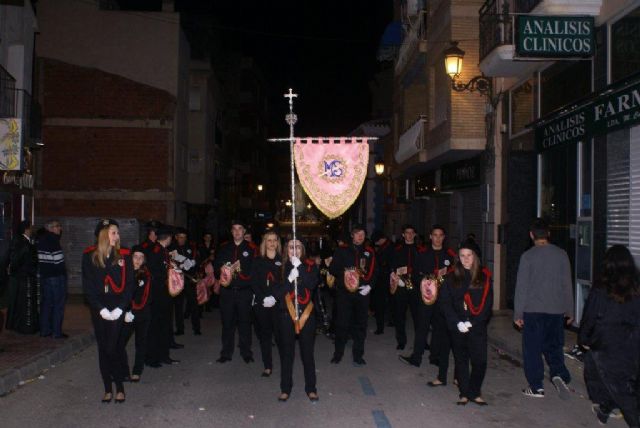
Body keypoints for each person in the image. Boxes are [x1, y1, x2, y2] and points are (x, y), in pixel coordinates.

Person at [579, 245, 640, 427]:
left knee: (619, 390)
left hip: (607, 346)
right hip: (631, 345)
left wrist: (584, 338)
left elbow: (590, 316)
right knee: (620, 383)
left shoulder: (601, 288)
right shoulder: (636, 287)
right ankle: (605, 408)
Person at [514, 218, 573, 399]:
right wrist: (569, 310)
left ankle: (536, 386)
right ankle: (558, 373)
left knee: (532, 349)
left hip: (533, 310)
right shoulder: (562, 254)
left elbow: (521, 286)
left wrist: (518, 313)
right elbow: (566, 284)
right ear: (549, 234)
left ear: (531, 235)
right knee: (554, 346)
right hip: (556, 310)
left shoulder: (528, 256)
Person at [82, 219, 134, 403]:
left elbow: (129, 285)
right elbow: (88, 286)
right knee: (103, 348)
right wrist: (100, 309)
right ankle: (107, 388)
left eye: (118, 233)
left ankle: (119, 386)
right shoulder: (89, 255)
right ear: (104, 235)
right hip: (100, 308)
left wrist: (122, 308)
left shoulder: (125, 254)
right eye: (114, 233)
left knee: (112, 347)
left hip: (118, 307)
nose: (117, 236)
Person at [439, 239, 492, 405]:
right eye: (462, 255)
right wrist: (457, 322)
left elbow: (487, 304)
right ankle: (464, 392)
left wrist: (474, 323)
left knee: (480, 361)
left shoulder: (484, 276)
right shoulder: (451, 277)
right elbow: (445, 303)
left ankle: (475, 391)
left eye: (469, 255)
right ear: (458, 258)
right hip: (457, 326)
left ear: (475, 257)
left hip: (477, 326)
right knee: (461, 360)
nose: (466, 259)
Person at [399, 224, 455, 367]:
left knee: (439, 328)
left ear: (444, 237)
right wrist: (425, 283)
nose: (437, 238)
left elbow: (453, 275)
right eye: (434, 235)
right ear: (430, 237)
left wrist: (443, 284)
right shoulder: (422, 253)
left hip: (442, 298)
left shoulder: (449, 254)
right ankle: (416, 357)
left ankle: (434, 357)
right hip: (425, 297)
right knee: (422, 327)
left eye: (440, 235)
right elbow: (415, 274)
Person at [273, 238, 319, 402]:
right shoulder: (281, 266)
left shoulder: (311, 265)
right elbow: (277, 293)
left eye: (298, 246)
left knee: (308, 354)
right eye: (291, 247)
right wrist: (289, 279)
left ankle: (311, 388)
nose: (294, 250)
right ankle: (285, 389)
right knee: (287, 354)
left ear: (303, 249)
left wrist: (299, 266)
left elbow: (312, 284)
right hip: (286, 314)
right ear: (286, 249)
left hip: (307, 314)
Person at [329, 224, 376, 365]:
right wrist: (346, 272)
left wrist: (369, 286)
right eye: (357, 233)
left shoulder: (369, 252)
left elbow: (375, 271)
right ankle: (338, 354)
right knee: (342, 324)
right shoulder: (342, 250)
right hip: (344, 293)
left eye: (362, 233)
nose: (360, 236)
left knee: (361, 325)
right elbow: (333, 269)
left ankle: (358, 355)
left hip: (362, 292)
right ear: (352, 235)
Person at [214, 220, 258, 363]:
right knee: (227, 323)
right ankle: (226, 353)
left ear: (244, 231)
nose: (237, 232)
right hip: (227, 292)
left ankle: (246, 353)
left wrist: (240, 272)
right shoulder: (224, 248)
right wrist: (222, 270)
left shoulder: (252, 249)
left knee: (245, 323)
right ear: (231, 232)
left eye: (240, 229)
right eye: (234, 229)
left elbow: (255, 271)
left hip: (244, 292)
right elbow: (216, 268)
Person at [145, 225, 181, 367]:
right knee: (156, 327)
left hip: (164, 293)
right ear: (168, 238)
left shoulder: (163, 250)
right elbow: (154, 272)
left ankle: (163, 355)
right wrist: (169, 274)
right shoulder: (155, 251)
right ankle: (152, 358)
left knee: (164, 326)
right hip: (157, 294)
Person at [251, 230, 282, 377]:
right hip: (262, 303)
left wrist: (275, 297)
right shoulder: (257, 260)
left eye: (274, 240)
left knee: (281, 335)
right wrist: (263, 297)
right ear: (264, 242)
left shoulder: (283, 260)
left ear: (278, 242)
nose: (272, 243)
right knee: (265, 336)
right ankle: (267, 365)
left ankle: (285, 362)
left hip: (279, 303)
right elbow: (254, 282)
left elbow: (285, 282)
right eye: (269, 240)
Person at [121, 245, 152, 383]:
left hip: (142, 313)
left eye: (141, 257)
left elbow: (144, 296)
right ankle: (123, 371)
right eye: (135, 256)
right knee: (120, 343)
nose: (138, 260)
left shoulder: (145, 274)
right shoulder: (124, 272)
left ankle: (137, 371)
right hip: (127, 313)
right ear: (130, 257)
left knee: (141, 343)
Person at [389, 224, 423, 351]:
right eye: (407, 233)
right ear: (403, 235)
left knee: (419, 316)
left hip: (416, 287)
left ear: (414, 235)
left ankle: (421, 341)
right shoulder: (397, 249)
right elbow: (392, 266)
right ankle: (401, 340)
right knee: (400, 315)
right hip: (401, 286)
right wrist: (395, 277)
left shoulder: (421, 250)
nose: (409, 235)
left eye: (411, 233)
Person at [6, 220, 39, 334]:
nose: (33, 230)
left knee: (23, 303)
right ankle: (22, 326)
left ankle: (23, 325)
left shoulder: (27, 242)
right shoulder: (20, 241)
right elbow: (16, 259)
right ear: (26, 229)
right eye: (31, 228)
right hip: (22, 277)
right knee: (22, 303)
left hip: (26, 276)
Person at [37, 219, 67, 339]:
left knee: (46, 304)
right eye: (57, 226)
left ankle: (45, 330)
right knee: (58, 304)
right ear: (49, 228)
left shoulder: (42, 239)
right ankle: (56, 332)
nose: (60, 228)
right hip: (56, 276)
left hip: (45, 276)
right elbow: (59, 261)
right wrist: (63, 273)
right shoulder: (53, 240)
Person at [169, 227, 200, 335]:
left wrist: (194, 263)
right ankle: (180, 329)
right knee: (178, 305)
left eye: (184, 237)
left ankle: (197, 328)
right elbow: (170, 262)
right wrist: (180, 265)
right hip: (177, 280)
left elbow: (196, 259)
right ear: (176, 237)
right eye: (180, 237)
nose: (182, 239)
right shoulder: (171, 248)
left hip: (189, 279)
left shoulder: (191, 247)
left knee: (194, 304)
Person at [371, 230, 393, 335]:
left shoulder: (387, 248)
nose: (376, 243)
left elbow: (382, 262)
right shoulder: (387, 246)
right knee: (388, 302)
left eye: (377, 241)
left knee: (380, 303)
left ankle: (381, 327)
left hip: (382, 279)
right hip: (385, 278)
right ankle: (389, 321)